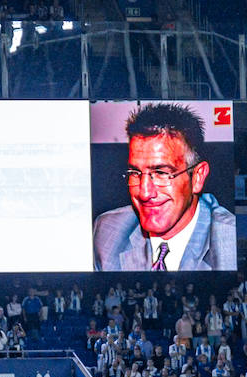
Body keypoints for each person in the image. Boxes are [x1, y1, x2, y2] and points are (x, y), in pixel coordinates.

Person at [93, 103, 237, 271]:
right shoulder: (107, 231)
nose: (145, 193)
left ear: (197, 177)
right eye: (135, 173)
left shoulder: (228, 243)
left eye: (161, 173)